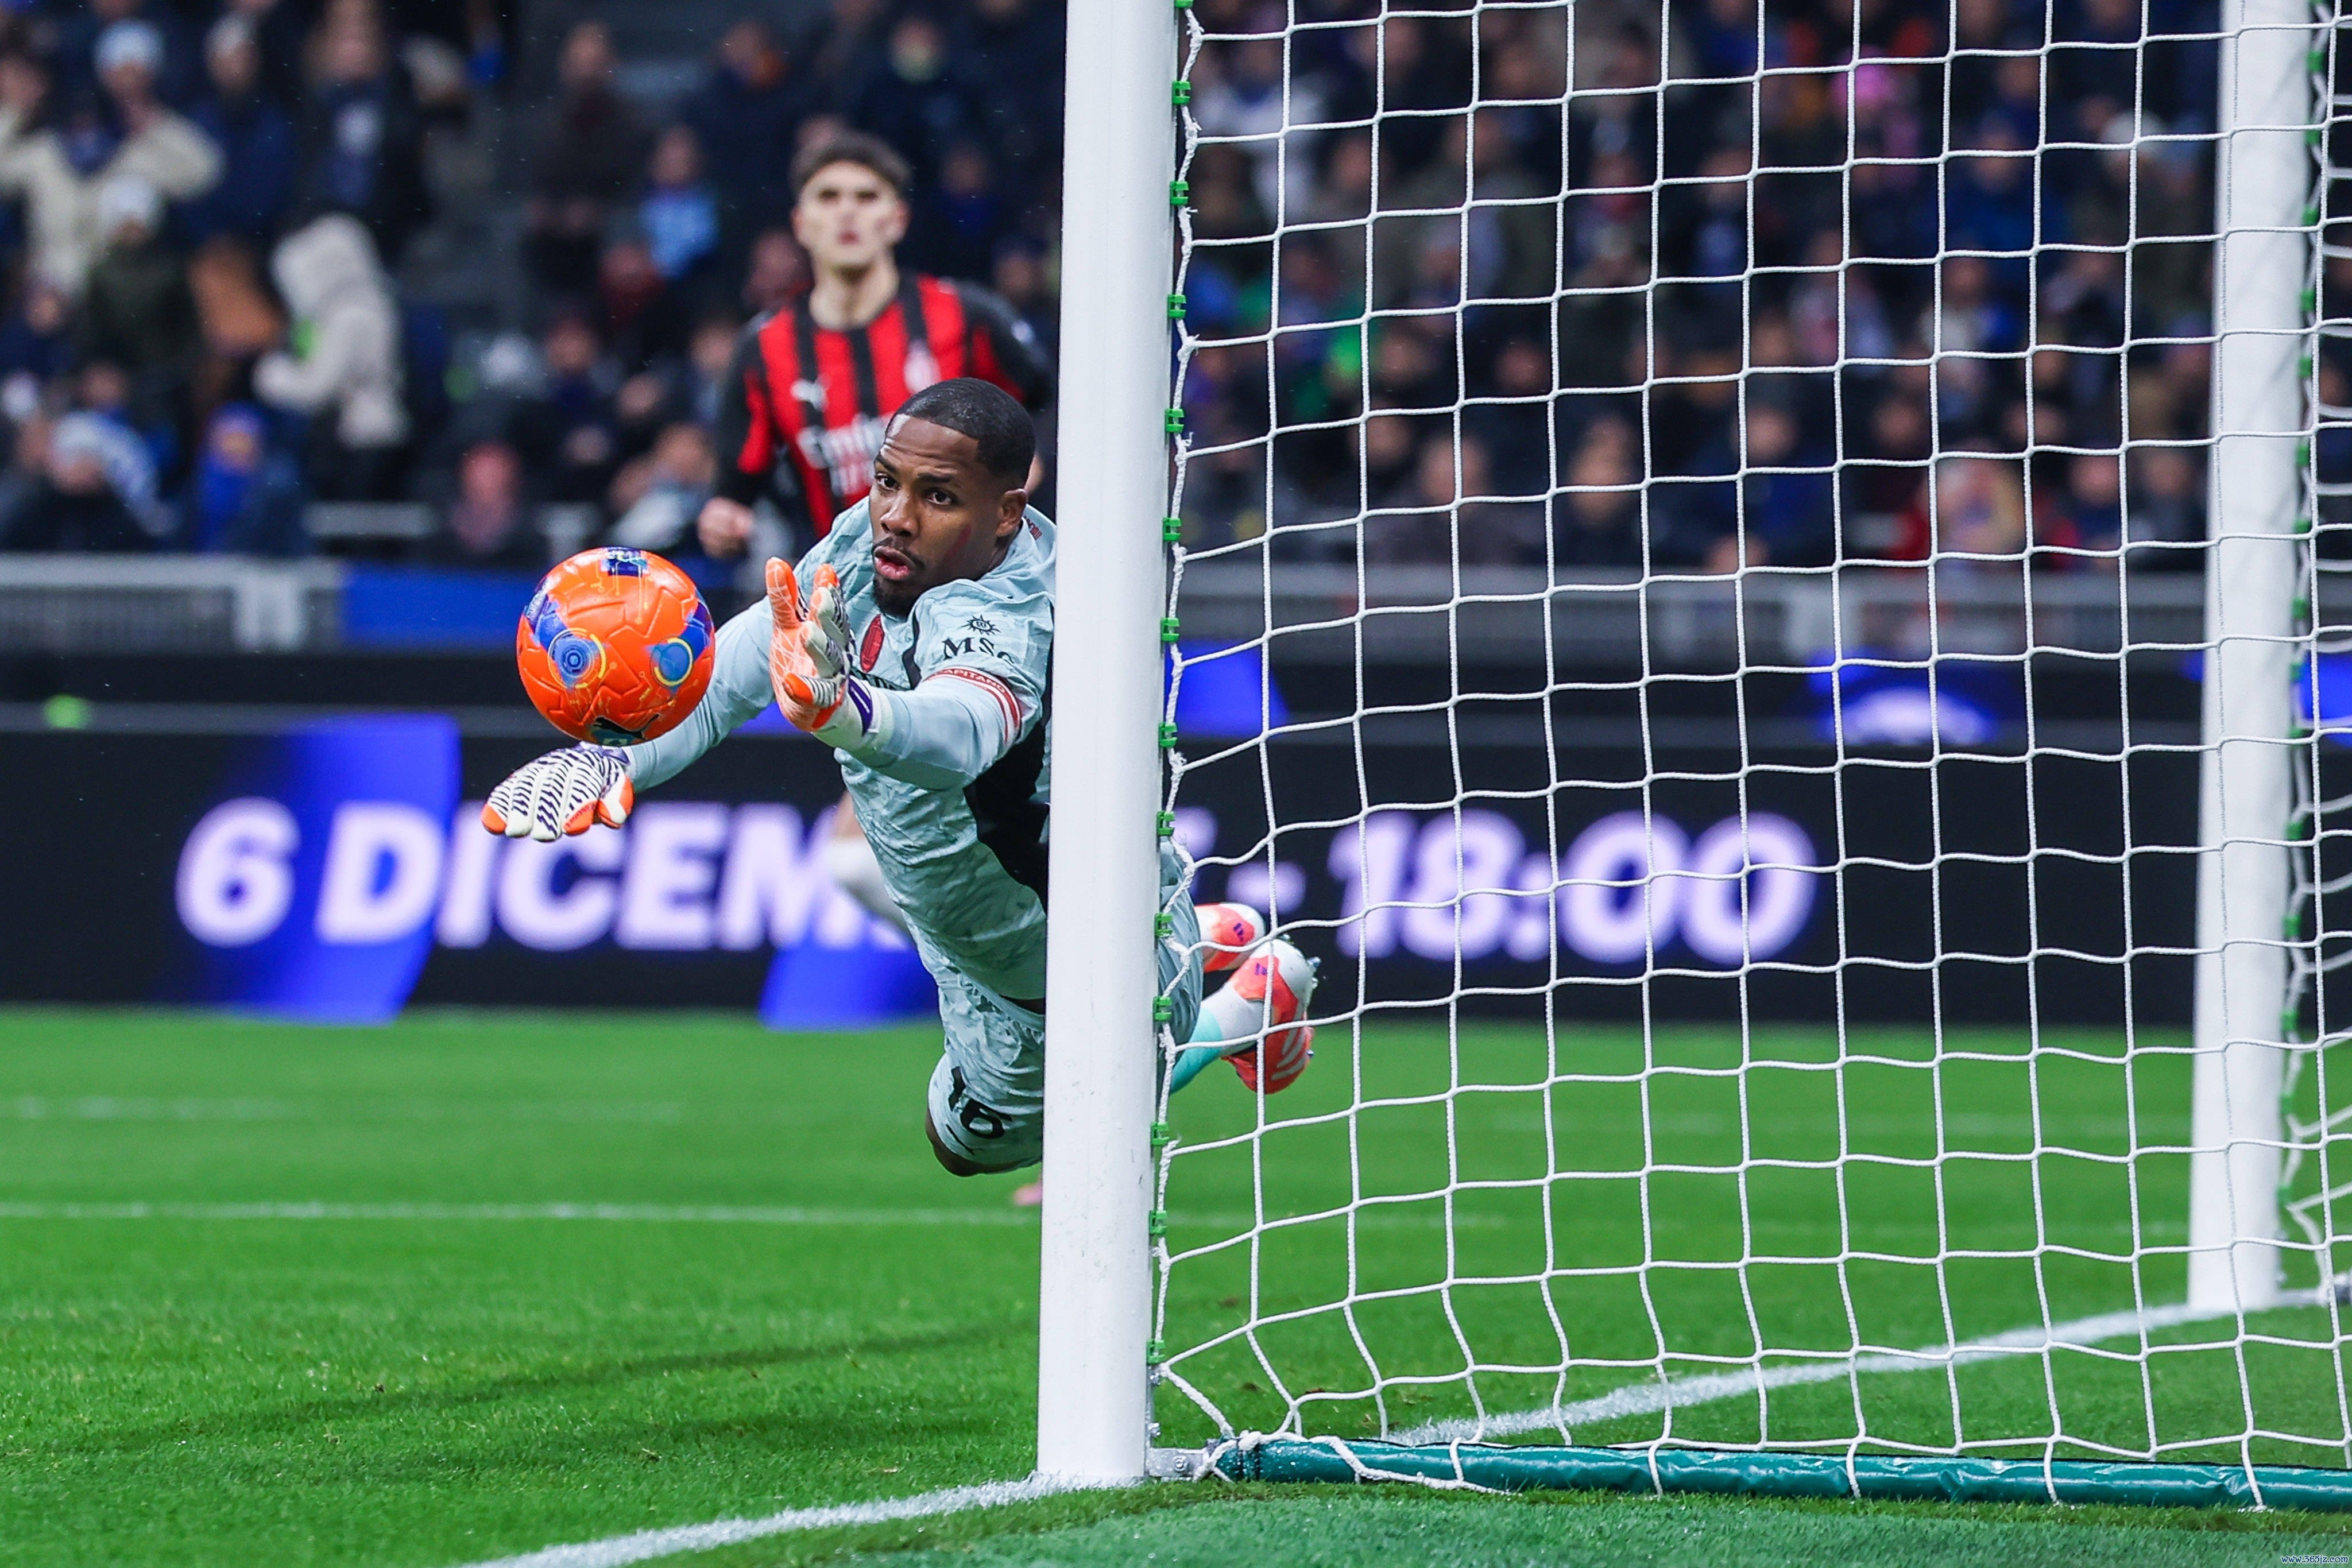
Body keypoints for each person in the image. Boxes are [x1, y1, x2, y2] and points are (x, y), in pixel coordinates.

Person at [482, 382, 1313, 1175]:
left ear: (1006, 514)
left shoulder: (1014, 612)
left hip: (1064, 966)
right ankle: (1198, 936)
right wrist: (618, 757)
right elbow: (744, 663)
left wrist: (845, 711)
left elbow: (962, 731)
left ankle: (1242, 1001)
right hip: (970, 923)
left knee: (976, 1144)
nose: (896, 515)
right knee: (871, 894)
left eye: (937, 496)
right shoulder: (875, 539)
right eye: (887, 481)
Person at [698, 130, 1054, 926]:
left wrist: (1033, 478)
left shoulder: (964, 318)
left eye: (866, 197)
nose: (848, 214)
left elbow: (1050, 406)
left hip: (987, 611)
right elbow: (735, 484)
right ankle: (1177, 953)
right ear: (800, 222)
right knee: (905, 857)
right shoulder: (766, 351)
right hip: (858, 623)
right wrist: (724, 514)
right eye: (829, 198)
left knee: (898, 851)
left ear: (897, 218)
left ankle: (1097, 967)